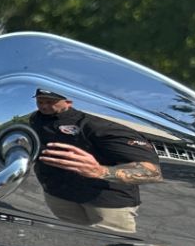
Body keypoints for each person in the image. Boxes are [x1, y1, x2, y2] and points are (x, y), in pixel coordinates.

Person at [27, 89, 161, 234]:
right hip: (58, 194)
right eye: (40, 101)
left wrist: (100, 171)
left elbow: (150, 172)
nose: (44, 106)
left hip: (105, 200)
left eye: (50, 102)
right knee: (79, 241)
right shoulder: (36, 119)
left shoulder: (96, 126)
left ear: (69, 102)